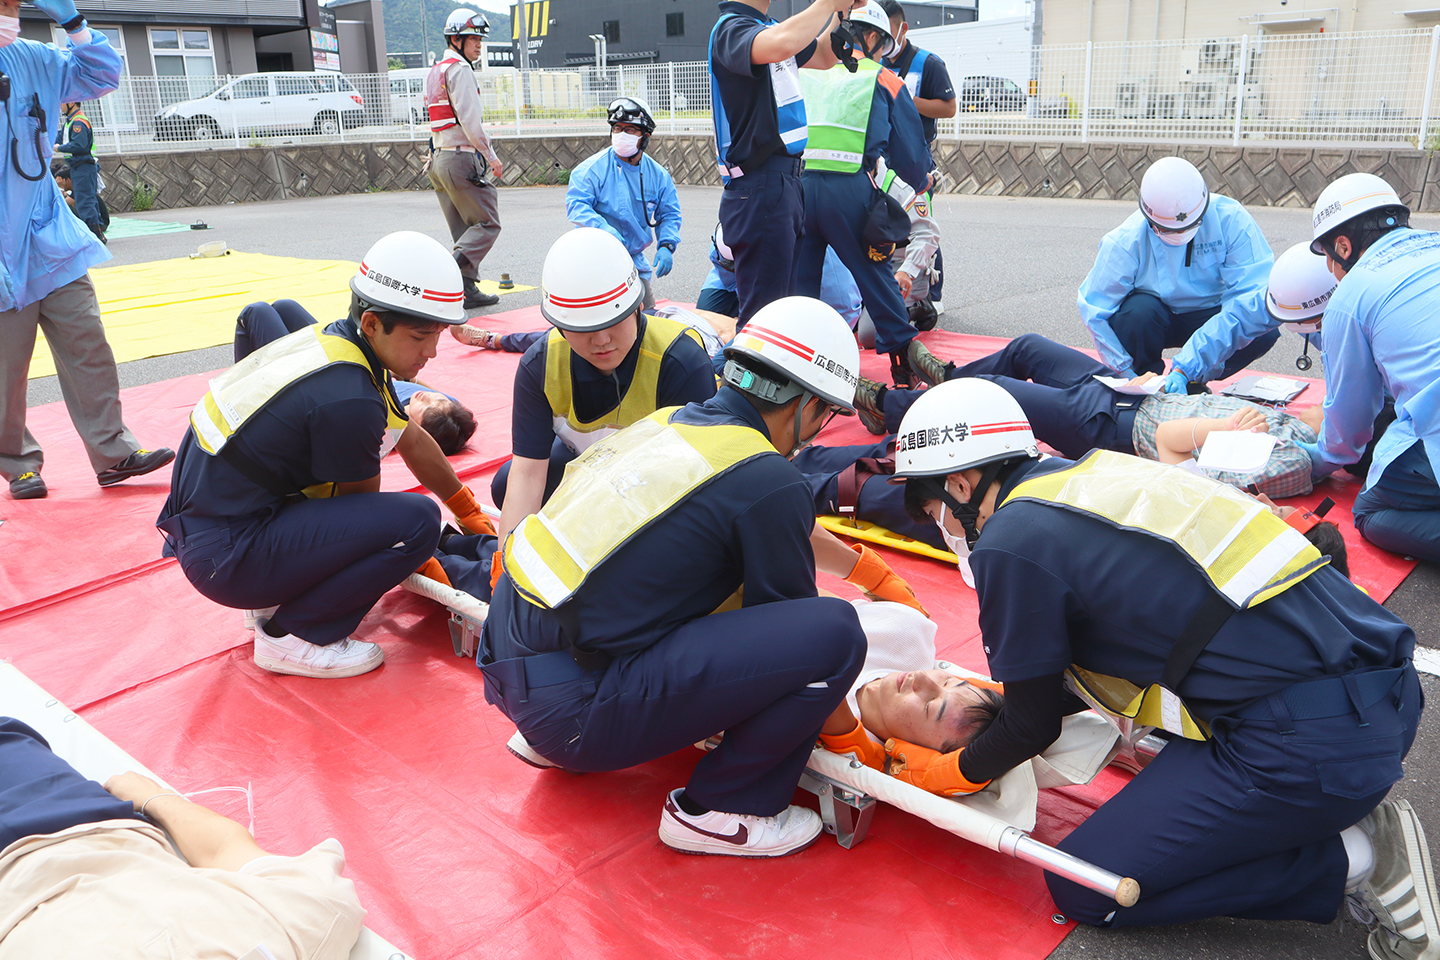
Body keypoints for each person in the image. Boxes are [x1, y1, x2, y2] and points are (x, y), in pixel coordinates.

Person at [887, 377, 1431, 956]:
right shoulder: (1101, 473)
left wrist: (944, 775)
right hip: (1387, 696)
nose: (945, 533)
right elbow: (1075, 676)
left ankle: (1360, 858)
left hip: (1311, 745)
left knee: (1086, 886)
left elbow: (1033, 723)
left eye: (934, 514)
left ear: (961, 485)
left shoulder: (1008, 541)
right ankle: (1322, 819)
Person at [483, 297, 925, 858]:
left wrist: (866, 568)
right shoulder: (768, 477)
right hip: (571, 718)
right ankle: (721, 807)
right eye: (824, 418)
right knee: (836, 632)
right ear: (810, 405)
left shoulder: (666, 425)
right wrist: (856, 745)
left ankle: (576, 726)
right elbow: (797, 643)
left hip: (513, 670)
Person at [156, 232, 495, 679]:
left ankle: (274, 593)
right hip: (225, 558)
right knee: (415, 520)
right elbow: (366, 520)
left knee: (406, 519)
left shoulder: (337, 344)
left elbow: (410, 438)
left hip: (213, 525)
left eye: (436, 336)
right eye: (419, 338)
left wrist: (467, 509)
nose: (431, 353)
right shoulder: (350, 399)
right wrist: (420, 553)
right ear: (373, 322)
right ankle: (293, 636)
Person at [0, 718, 366, 958]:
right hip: (73, 820)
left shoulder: (308, 931)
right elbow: (227, 850)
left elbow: (226, 850)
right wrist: (154, 797)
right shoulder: (305, 932)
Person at [0, 0, 174, 502]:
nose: (11, 11)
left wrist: (72, 23)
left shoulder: (32, 57)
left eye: (16, 3)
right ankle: (17, 463)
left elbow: (99, 75)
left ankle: (113, 453)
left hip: (48, 234)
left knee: (88, 345)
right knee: (6, 370)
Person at [491, 228, 717, 546]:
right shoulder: (540, 366)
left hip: (659, 481)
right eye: (583, 329)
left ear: (638, 308)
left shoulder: (679, 361)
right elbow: (528, 475)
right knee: (506, 483)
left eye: (612, 323)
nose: (601, 341)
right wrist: (504, 566)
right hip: (594, 464)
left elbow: (698, 482)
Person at [796, 1, 943, 389]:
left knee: (800, 286)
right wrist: (923, 181)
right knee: (875, 276)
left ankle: (799, 370)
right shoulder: (882, 78)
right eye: (883, 48)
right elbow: (912, 157)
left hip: (800, 188)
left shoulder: (813, 72)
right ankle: (903, 368)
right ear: (875, 37)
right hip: (849, 189)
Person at [1303, 172, 1440, 564]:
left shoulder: (1352, 294)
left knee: (1371, 513)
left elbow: (1349, 428)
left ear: (1343, 246)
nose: (1332, 269)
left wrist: (1313, 460)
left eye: (1329, 258)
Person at [1078, 156, 1279, 393]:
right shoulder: (1125, 241)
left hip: (1210, 318)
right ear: (1148, 217)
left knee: (1262, 330)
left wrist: (1188, 369)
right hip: (1156, 317)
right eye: (1166, 230)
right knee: (1135, 314)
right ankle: (1147, 384)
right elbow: (1095, 311)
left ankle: (1194, 380)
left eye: (1190, 226)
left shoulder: (1231, 219)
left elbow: (1253, 296)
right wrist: (1125, 374)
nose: (1181, 236)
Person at [709, 0, 851, 326]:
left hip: (783, 183)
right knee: (763, 321)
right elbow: (782, 43)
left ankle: (757, 374)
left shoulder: (768, 29)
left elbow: (826, 56)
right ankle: (732, 377)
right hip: (759, 184)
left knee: (781, 316)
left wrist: (840, 12)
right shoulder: (732, 29)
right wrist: (827, 3)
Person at [235, 298, 477, 456]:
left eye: (424, 408)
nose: (427, 398)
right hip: (359, 364)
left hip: (328, 378)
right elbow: (420, 389)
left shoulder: (379, 416)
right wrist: (405, 376)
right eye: (438, 400)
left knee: (256, 313)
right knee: (285, 307)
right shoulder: (447, 408)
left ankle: (240, 404)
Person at [818, 600, 1002, 769]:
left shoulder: (843, 733)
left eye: (929, 705)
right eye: (947, 681)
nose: (922, 677)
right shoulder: (906, 633)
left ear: (917, 749)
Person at [565, 97, 681, 311]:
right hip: (595, 257)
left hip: (633, 261)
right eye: (617, 129)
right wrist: (603, 228)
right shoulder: (591, 169)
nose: (621, 136)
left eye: (630, 130)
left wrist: (666, 245)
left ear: (645, 137)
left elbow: (670, 214)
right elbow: (576, 205)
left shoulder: (658, 176)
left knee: (645, 316)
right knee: (594, 316)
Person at [879, 0, 954, 312]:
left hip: (914, 162)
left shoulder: (929, 63)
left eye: (888, 32)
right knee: (883, 227)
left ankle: (929, 296)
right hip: (881, 162)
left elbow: (948, 108)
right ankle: (889, 288)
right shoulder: (871, 62)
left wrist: (907, 100)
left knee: (922, 227)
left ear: (902, 29)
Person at [426, 7, 502, 310]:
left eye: (480, 39)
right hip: (461, 159)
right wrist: (492, 157)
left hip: (439, 158)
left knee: (463, 229)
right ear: (456, 39)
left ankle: (466, 290)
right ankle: (447, 273)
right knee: (487, 223)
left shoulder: (436, 70)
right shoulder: (460, 71)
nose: (478, 45)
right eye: (473, 39)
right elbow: (471, 123)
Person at [53, 100, 103, 240]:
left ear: (72, 103)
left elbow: (79, 145)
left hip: (84, 166)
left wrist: (59, 148)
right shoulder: (70, 122)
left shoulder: (78, 122)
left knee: (85, 202)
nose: (60, 105)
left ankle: (95, 235)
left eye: (63, 102)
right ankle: (96, 233)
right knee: (87, 201)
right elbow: (58, 137)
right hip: (78, 166)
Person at [53, 160, 109, 237]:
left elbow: (61, 204)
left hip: (101, 224)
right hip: (99, 222)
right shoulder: (78, 188)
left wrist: (61, 188)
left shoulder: (79, 190)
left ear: (67, 180)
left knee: (66, 208)